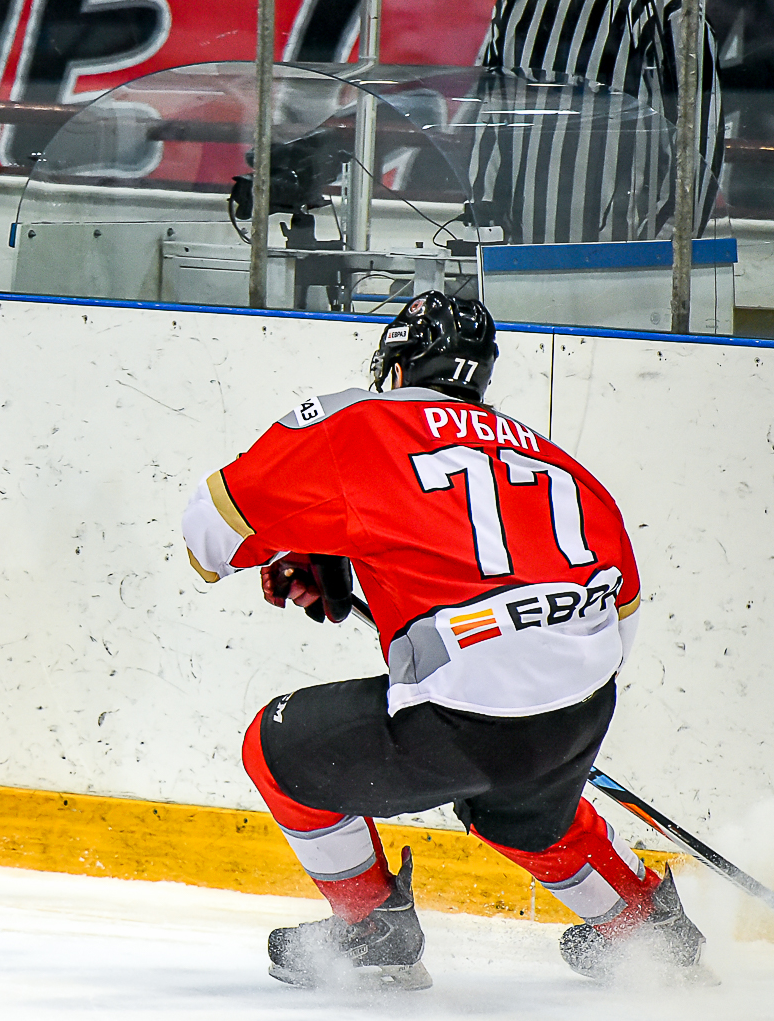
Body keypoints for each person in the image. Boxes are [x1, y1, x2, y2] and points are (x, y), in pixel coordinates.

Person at [181, 291, 706, 988]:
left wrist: (305, 539)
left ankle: (373, 931)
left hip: (461, 720)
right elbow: (619, 615)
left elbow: (208, 536)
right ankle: (646, 927)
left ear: (398, 368)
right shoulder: (558, 462)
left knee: (274, 748)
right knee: (517, 806)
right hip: (581, 706)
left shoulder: (357, 421)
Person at [468, 0, 724, 244]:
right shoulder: (517, 4)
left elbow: (698, 156)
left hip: (626, 272)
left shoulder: (672, 12)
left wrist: (647, 261)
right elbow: (488, 133)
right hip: (519, 264)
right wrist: (487, 240)